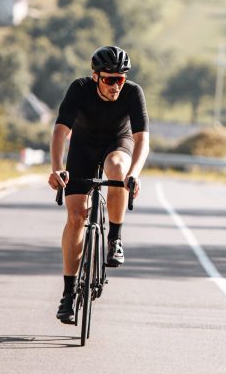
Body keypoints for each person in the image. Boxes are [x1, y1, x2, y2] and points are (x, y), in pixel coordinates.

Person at [47, 46, 149, 324]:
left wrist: (135, 173)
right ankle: (68, 294)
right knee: (76, 214)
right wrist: (57, 169)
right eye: (109, 79)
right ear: (95, 77)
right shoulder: (79, 89)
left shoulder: (132, 93)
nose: (116, 85)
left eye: (120, 79)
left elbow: (142, 139)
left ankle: (114, 238)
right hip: (83, 148)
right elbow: (61, 131)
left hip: (118, 143)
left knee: (117, 168)